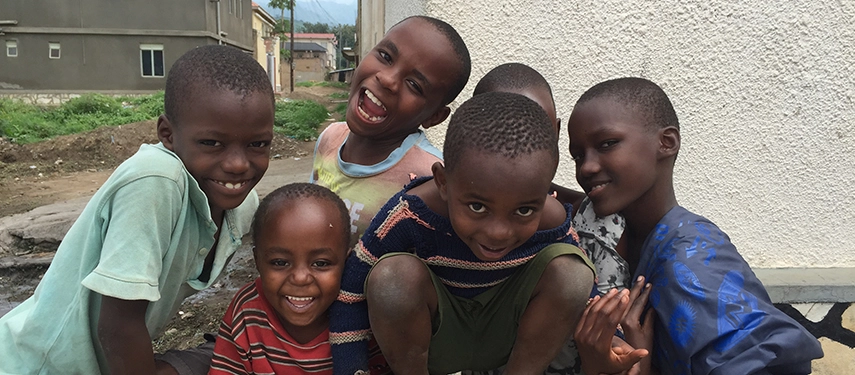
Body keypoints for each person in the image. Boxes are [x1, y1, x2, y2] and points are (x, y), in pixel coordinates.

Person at [0, 44, 275, 375]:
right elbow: (118, 326)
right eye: (211, 143)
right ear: (168, 134)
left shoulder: (245, 206)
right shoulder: (156, 179)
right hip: (36, 365)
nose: (237, 165)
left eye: (257, 144)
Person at [569, 77, 824, 374]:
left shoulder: (690, 262)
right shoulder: (615, 236)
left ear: (667, 142)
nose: (586, 167)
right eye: (577, 155)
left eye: (607, 144)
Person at [329, 92, 597, 375]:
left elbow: (585, 291)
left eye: (523, 211)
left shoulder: (551, 218)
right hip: (434, 343)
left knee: (573, 272)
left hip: (508, 340)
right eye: (478, 206)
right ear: (443, 182)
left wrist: (615, 337)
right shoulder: (409, 214)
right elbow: (350, 293)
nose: (498, 233)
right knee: (392, 278)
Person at [470, 63, 632, 375]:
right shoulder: (457, 219)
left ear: (556, 132)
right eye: (501, 132)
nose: (521, 148)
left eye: (538, 133)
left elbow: (613, 344)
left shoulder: (599, 223)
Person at [310, 15, 471, 246]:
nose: (387, 80)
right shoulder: (329, 139)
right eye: (385, 56)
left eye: (414, 85)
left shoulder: (431, 178)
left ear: (434, 116)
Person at [209, 183, 389, 375]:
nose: (300, 278)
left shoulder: (362, 314)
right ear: (258, 261)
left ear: (346, 263)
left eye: (320, 263)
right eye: (280, 262)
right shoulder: (247, 312)